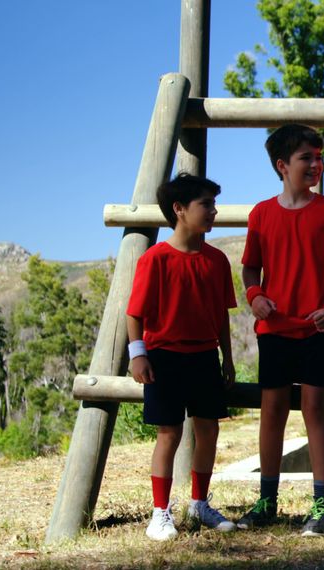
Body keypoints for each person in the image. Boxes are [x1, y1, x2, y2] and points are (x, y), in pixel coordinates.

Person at [237, 124, 324, 536]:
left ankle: (323, 507)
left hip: (320, 330)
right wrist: (254, 296)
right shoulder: (261, 214)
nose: (316, 164)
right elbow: (250, 266)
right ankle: (266, 502)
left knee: (316, 412)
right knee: (272, 413)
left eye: (319, 157)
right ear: (282, 166)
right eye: (307, 158)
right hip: (274, 331)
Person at [127, 173, 237, 541]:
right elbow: (134, 312)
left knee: (209, 430)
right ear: (179, 209)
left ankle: (200, 504)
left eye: (213, 204)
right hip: (163, 359)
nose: (213, 211)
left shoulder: (218, 260)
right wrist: (137, 355)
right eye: (205, 204)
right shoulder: (154, 259)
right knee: (168, 434)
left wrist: (228, 358)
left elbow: (221, 314)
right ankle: (160, 513)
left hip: (205, 357)